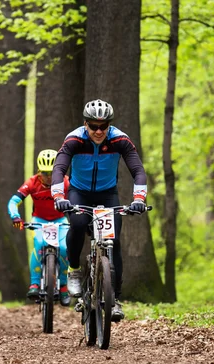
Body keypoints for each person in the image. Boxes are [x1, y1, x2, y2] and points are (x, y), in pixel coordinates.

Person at [51, 99, 148, 321]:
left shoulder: (119, 140)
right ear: (85, 124)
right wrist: (58, 196)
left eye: (103, 126)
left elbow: (138, 170)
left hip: (107, 194)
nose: (98, 131)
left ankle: (115, 299)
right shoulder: (74, 139)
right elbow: (59, 168)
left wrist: (139, 199)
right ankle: (74, 269)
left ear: (109, 126)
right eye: (93, 126)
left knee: (114, 242)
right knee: (76, 224)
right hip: (79, 193)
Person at [7, 149, 71, 306]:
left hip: (60, 219)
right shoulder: (32, 182)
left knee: (63, 248)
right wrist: (15, 216)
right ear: (38, 171)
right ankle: (34, 284)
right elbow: (14, 201)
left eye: (51, 172)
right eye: (44, 172)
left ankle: (63, 286)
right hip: (39, 220)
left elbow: (76, 199)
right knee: (39, 245)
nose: (48, 177)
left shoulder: (65, 182)